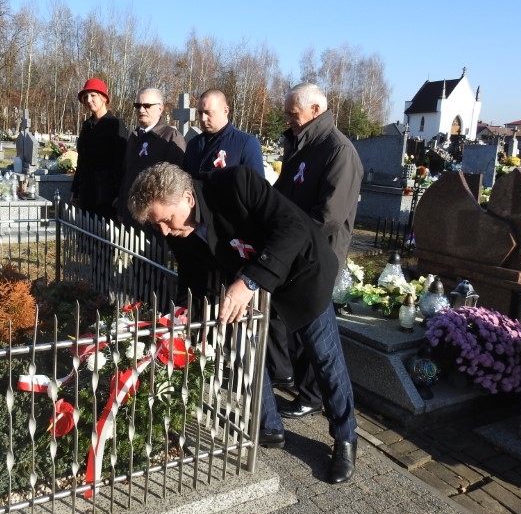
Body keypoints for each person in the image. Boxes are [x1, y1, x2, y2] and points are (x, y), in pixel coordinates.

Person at [127, 162, 358, 484]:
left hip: (301, 274)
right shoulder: (176, 227)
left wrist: (250, 282)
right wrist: (189, 315)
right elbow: (192, 272)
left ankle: (345, 438)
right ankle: (269, 426)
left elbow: (292, 227)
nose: (164, 231)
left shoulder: (236, 184)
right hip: (244, 283)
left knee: (324, 358)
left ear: (188, 199)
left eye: (166, 220)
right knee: (248, 354)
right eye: (157, 225)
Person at [269, 83, 364, 421]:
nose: (288, 119)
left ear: (315, 110)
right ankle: (295, 382)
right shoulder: (302, 144)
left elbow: (329, 216)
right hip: (295, 250)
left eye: (293, 113)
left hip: (319, 255)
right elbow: (282, 195)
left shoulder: (339, 151)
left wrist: (288, 240)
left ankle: (312, 396)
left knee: (314, 330)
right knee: (292, 322)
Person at [117, 87, 186, 226]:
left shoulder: (170, 137)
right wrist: (121, 207)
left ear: (160, 108)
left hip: (154, 219)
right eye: (138, 105)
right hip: (130, 213)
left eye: (147, 105)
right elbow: (127, 174)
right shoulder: (134, 136)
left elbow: (175, 184)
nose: (141, 110)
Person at [70, 78, 128, 221]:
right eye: (86, 97)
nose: (89, 100)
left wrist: (119, 195)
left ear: (103, 98)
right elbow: (81, 161)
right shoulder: (87, 125)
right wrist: (75, 191)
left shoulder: (115, 124)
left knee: (102, 232)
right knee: (86, 231)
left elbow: (121, 162)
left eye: (93, 95)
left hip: (107, 195)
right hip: (86, 192)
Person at [183, 89, 264, 179]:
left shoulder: (246, 144)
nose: (203, 118)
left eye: (208, 113)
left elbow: (256, 185)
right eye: (200, 112)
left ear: (225, 111)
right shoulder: (193, 144)